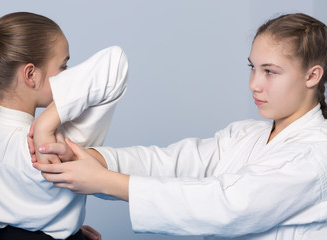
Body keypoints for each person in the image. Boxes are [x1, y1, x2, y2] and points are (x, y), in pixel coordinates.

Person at [31, 13, 327, 239]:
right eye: (252, 68)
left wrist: (104, 181)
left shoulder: (315, 156)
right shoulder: (247, 135)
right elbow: (173, 162)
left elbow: (225, 204)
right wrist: (93, 159)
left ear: (312, 76)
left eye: (270, 72)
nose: (254, 84)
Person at [0, 12, 128, 240]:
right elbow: (116, 60)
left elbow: (22, 212)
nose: (68, 76)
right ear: (31, 74)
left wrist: (60, 224)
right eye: (63, 66)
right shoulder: (52, 146)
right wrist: (45, 125)